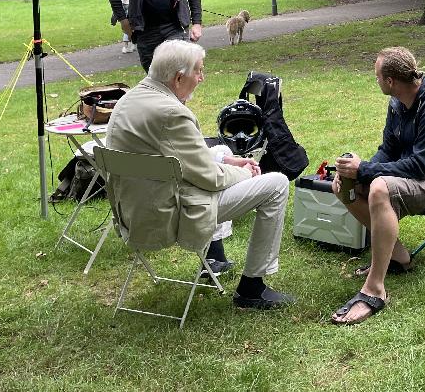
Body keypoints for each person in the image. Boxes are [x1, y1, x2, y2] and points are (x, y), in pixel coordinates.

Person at [105, 40, 294, 310]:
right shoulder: (172, 113)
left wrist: (225, 159)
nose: (202, 78)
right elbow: (211, 179)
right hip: (168, 217)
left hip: (133, 213)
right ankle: (252, 288)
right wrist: (245, 172)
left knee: (220, 155)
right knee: (276, 184)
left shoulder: (128, 101)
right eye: (199, 71)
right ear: (178, 77)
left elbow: (175, 156)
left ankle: (216, 258)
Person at [330, 47, 425, 325]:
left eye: (377, 76)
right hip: (421, 176)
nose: (376, 80)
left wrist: (366, 170)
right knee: (343, 186)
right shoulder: (397, 103)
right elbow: (389, 150)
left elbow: (421, 166)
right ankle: (398, 256)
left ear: (390, 81)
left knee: (379, 188)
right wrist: (358, 174)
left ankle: (375, 290)